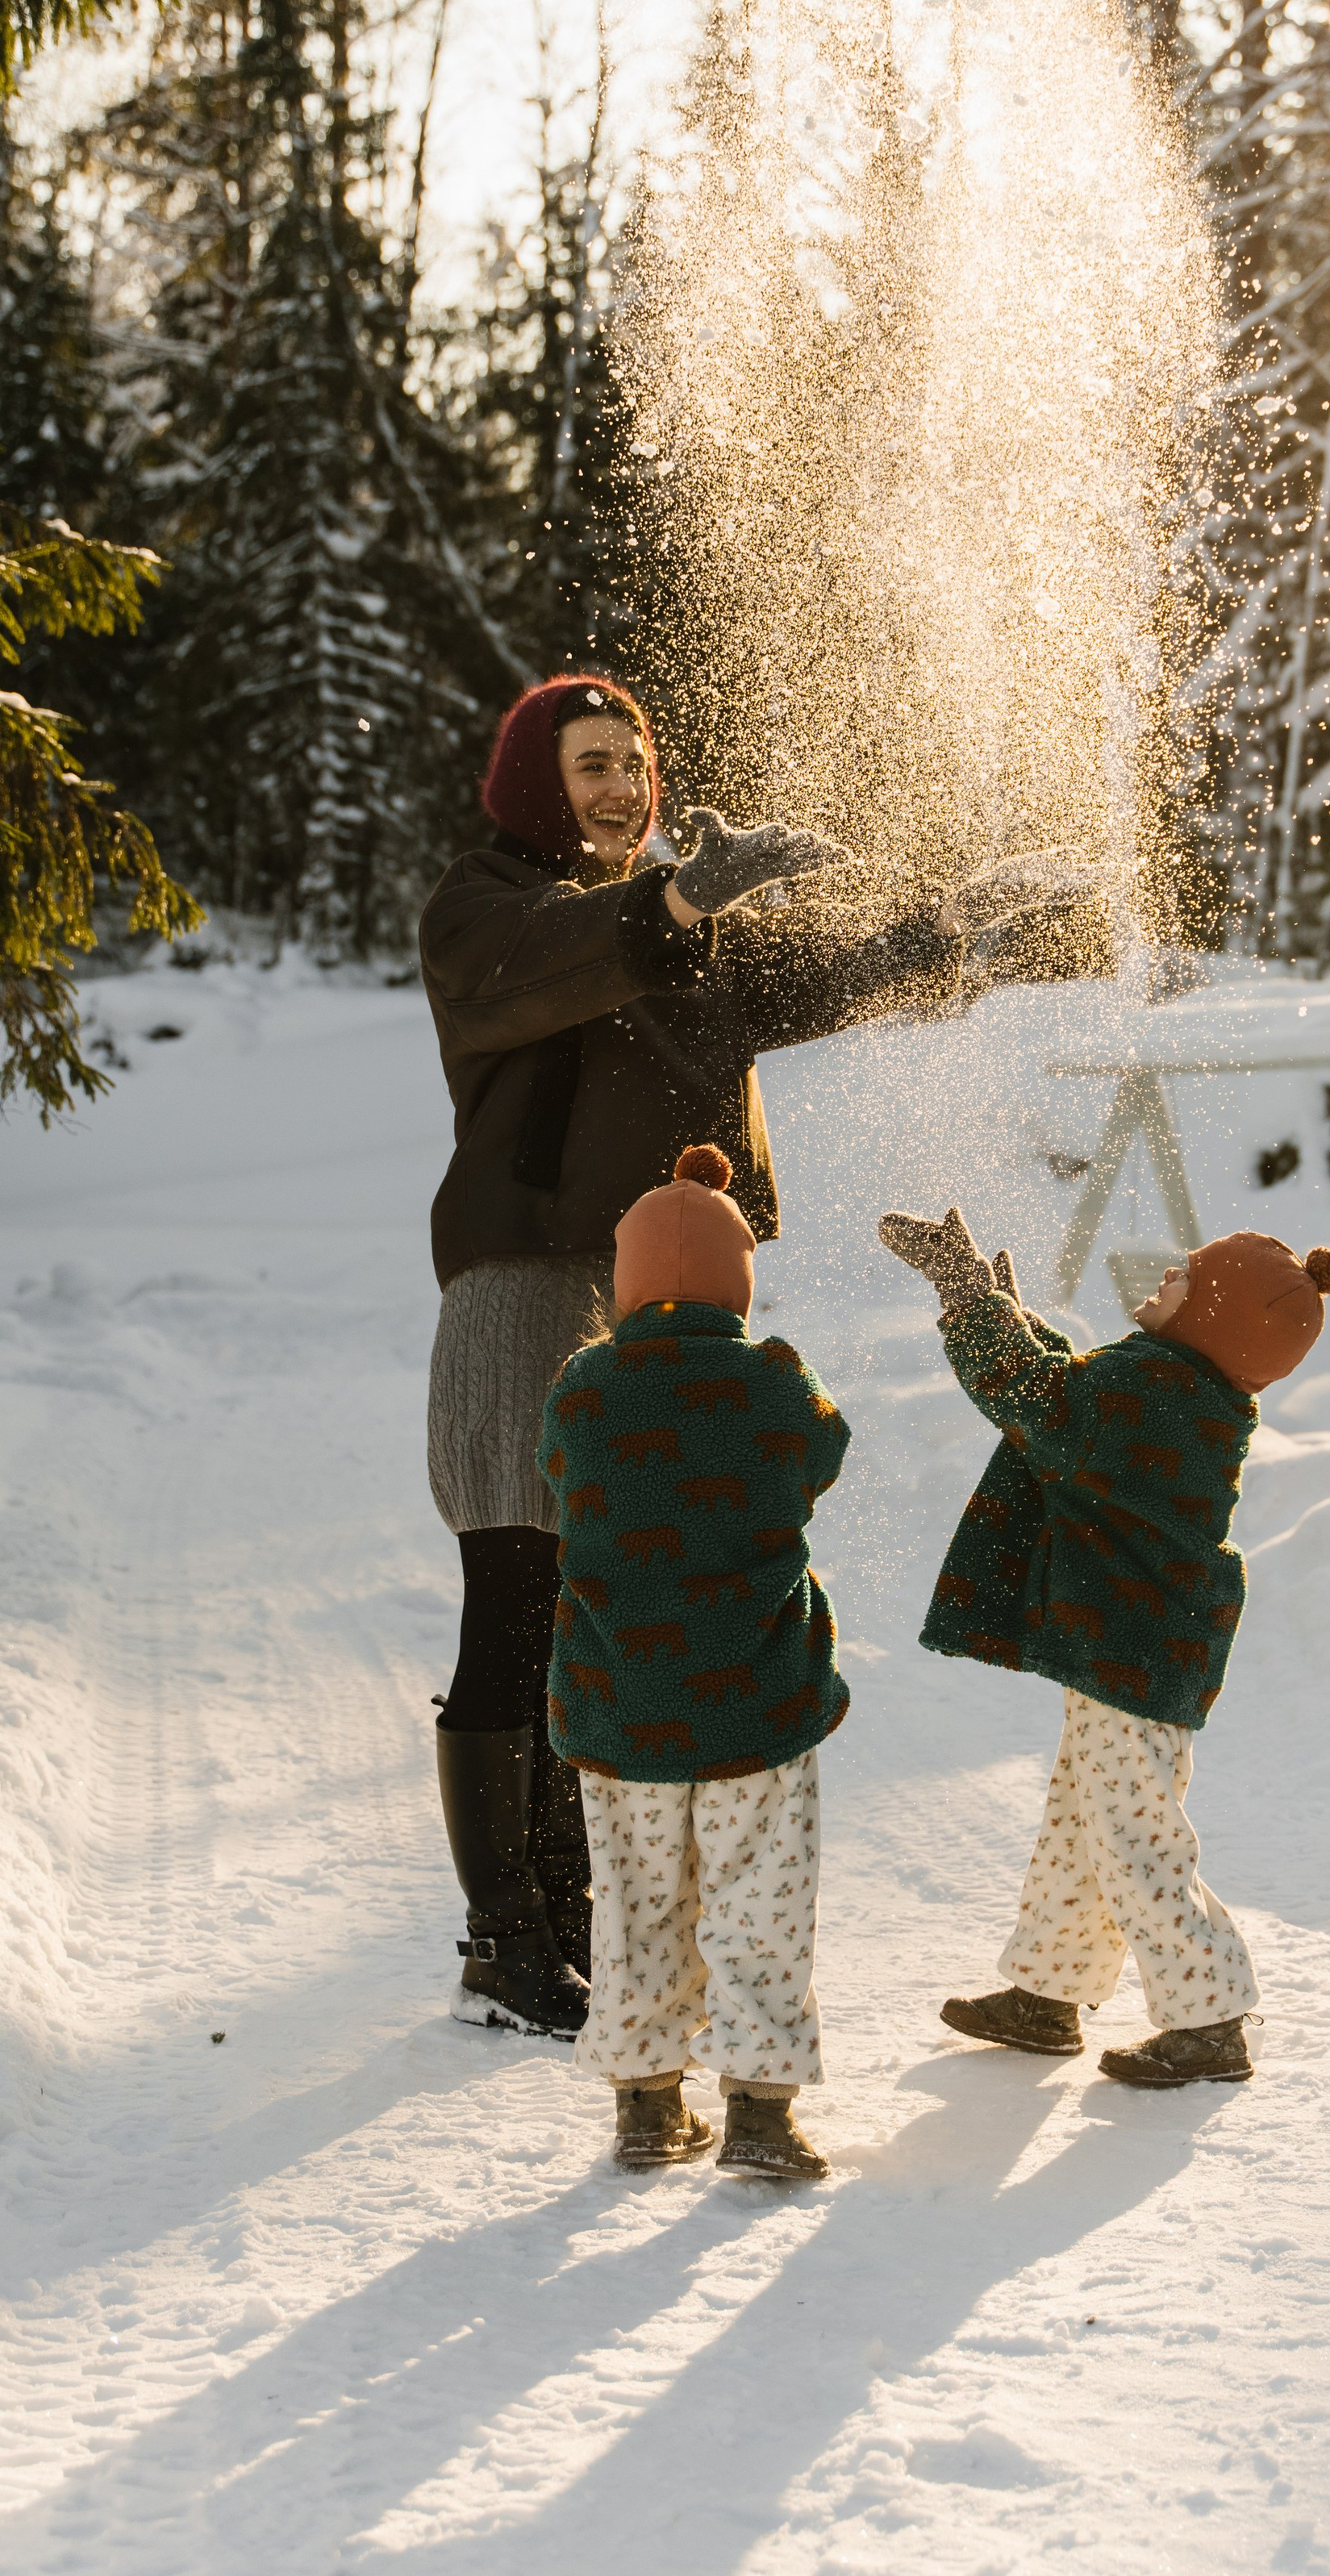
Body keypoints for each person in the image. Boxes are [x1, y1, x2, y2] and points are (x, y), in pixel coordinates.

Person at [419, 669, 1091, 2036]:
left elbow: (821, 974)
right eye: (592, 765)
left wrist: (956, 926)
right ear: (537, 784)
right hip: (526, 1287)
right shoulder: (484, 909)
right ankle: (505, 1938)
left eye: (635, 762)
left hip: (652, 1298)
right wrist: (668, 904)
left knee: (591, 1608)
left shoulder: (681, 922)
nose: (621, 787)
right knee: (517, 1589)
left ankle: (578, 1909)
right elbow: (536, 975)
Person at [878, 1203, 1330, 2089]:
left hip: (1132, 1653)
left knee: (1134, 1836)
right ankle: (1048, 1996)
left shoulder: (1155, 1393)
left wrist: (968, 1296)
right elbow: (1071, 1396)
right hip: (1135, 1650)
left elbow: (1038, 1400)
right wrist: (1007, 1316)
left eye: (1182, 1279)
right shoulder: (1174, 1391)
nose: (1161, 1281)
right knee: (1084, 1821)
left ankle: (1208, 2016)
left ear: (1211, 1316)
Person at [540, 1144, 848, 2181]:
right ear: (739, 1286)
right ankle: (760, 2114)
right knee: (758, 1902)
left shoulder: (583, 1388)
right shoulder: (773, 1379)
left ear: (623, 1287)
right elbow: (825, 1454)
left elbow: (557, 1474)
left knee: (634, 1904)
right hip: (753, 1708)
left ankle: (646, 2105)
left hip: (619, 1710)